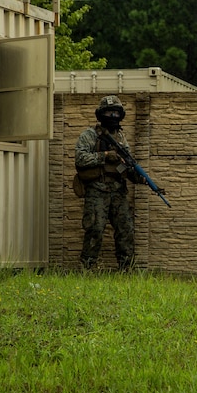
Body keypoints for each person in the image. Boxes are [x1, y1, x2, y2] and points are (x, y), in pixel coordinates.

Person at [74, 95, 143, 271]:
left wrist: (137, 176)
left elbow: (126, 164)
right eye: (108, 113)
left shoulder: (120, 138)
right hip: (97, 191)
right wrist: (104, 156)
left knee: (125, 229)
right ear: (100, 114)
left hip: (118, 191)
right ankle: (87, 269)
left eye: (115, 113)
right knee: (94, 230)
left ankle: (127, 269)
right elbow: (81, 159)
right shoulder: (90, 135)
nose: (112, 117)